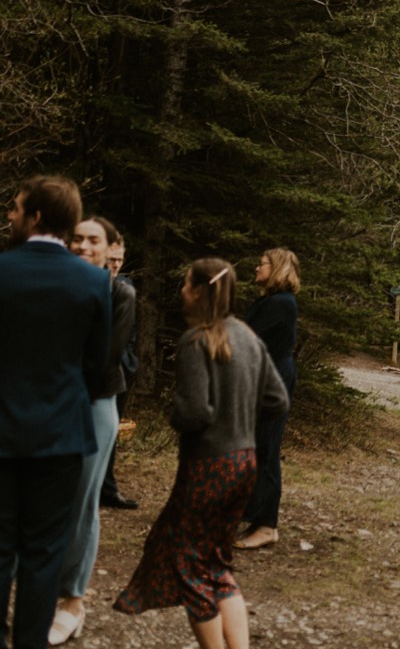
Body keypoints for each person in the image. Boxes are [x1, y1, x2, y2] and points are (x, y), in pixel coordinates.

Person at [113, 257, 289, 649]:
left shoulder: (196, 341)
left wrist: (176, 412)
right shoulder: (246, 334)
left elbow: (194, 413)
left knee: (191, 566)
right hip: (244, 463)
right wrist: (241, 416)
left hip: (209, 466)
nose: (180, 291)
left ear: (199, 291)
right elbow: (277, 399)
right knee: (216, 562)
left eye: (185, 285)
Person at [0, 176, 111, 649]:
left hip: (0, 433)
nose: (10, 215)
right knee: (45, 554)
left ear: (36, 216)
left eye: (15, 207)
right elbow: (97, 365)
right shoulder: (92, 280)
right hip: (61, 436)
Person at [48, 217, 137, 645]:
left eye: (94, 240)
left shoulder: (119, 292)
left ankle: (72, 601)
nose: (84, 245)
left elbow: (104, 358)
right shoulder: (55, 285)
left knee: (82, 502)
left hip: (95, 403)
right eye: (77, 238)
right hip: (51, 405)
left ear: (110, 249)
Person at [236, 249, 300, 551]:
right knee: (257, 447)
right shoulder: (270, 300)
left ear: (276, 269)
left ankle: (267, 525)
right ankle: (253, 514)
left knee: (268, 449)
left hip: (274, 381)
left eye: (261, 263)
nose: (256, 267)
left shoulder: (280, 304)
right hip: (265, 377)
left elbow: (248, 336)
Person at [99, 233, 139, 511]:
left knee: (111, 430)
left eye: (119, 260)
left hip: (120, 370)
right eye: (110, 259)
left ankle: (107, 488)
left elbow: (130, 331)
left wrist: (127, 361)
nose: (114, 264)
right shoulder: (86, 285)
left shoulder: (126, 286)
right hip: (89, 371)